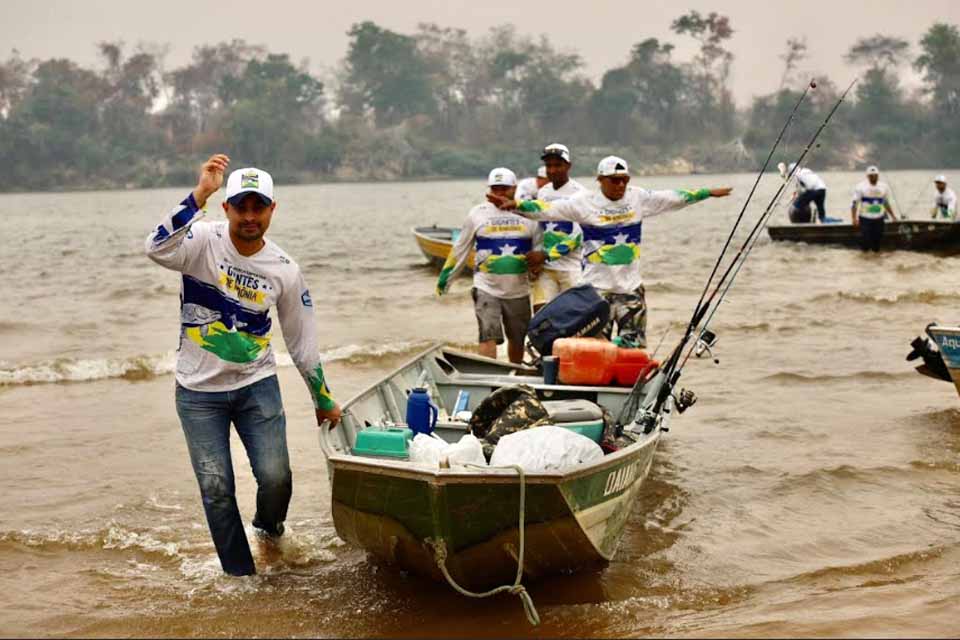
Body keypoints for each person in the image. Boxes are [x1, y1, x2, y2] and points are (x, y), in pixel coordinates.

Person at [145, 154, 341, 577]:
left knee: (276, 478)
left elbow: (301, 341)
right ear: (226, 208)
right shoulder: (199, 241)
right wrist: (200, 193)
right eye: (241, 207)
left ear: (272, 210)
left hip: (257, 384)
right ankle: (240, 576)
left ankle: (269, 532)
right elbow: (155, 246)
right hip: (197, 393)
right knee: (216, 489)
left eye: (259, 207)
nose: (249, 216)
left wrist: (322, 399)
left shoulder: (285, 270)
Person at [488, 155, 732, 348]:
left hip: (631, 291)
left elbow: (675, 197)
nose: (621, 185)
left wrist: (707, 193)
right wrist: (517, 205)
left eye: (624, 179)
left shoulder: (638, 198)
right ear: (600, 180)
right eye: (614, 180)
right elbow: (546, 209)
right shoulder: (585, 203)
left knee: (632, 350)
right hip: (596, 293)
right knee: (593, 349)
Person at [436, 168, 545, 364]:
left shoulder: (529, 213)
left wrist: (537, 269)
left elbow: (539, 247)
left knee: (517, 338)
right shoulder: (477, 214)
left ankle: (516, 374)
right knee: (488, 334)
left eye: (504, 188)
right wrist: (446, 279)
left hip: (518, 290)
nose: (500, 193)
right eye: (495, 189)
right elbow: (460, 248)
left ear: (514, 188)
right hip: (486, 287)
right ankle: (489, 376)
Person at [532, 143, 587, 312]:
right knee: (542, 317)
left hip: (572, 269)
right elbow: (539, 229)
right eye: (549, 165)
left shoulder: (581, 194)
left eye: (558, 165)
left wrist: (546, 255)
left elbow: (579, 236)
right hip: (546, 269)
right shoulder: (543, 193)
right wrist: (535, 259)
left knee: (574, 319)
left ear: (568, 166)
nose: (553, 170)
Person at [851, 165, 897, 252]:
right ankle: (864, 258)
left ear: (878, 175)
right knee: (866, 240)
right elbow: (854, 204)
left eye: (875, 175)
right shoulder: (860, 187)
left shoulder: (884, 187)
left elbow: (886, 203)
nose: (873, 177)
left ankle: (875, 259)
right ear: (867, 176)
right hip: (865, 218)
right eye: (871, 175)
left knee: (877, 242)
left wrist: (893, 216)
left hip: (879, 218)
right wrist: (854, 218)